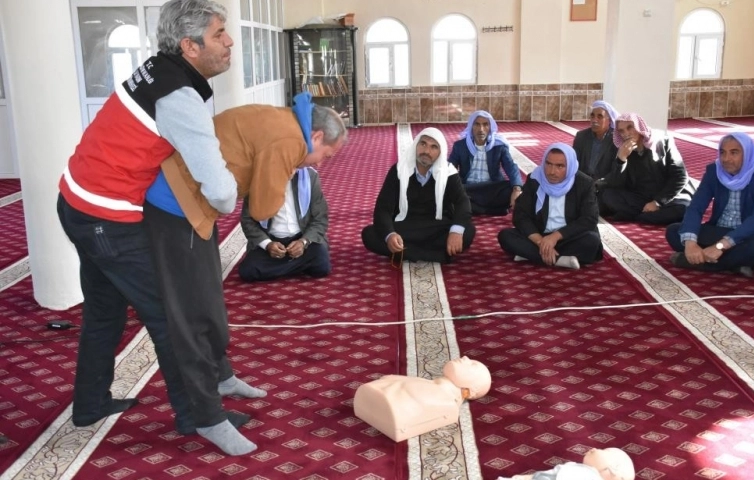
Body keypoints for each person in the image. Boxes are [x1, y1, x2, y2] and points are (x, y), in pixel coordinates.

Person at [56, 0, 255, 442]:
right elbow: (220, 189)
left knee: (104, 312)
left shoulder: (157, 69)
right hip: (106, 218)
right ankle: (203, 418)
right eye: (219, 34)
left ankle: (90, 404)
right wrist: (228, 201)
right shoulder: (178, 97)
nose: (229, 42)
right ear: (189, 46)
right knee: (172, 318)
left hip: (76, 201)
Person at [145, 92, 346, 454]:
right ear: (316, 137)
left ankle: (221, 378)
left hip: (197, 208)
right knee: (192, 317)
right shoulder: (289, 139)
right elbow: (265, 207)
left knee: (211, 303)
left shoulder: (287, 123)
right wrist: (277, 171)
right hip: (177, 209)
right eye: (326, 155)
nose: (321, 164)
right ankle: (206, 418)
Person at [666, 132, 754, 277]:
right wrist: (690, 243)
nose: (726, 159)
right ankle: (736, 263)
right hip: (720, 230)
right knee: (674, 231)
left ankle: (703, 264)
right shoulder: (715, 170)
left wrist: (720, 246)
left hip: (753, 234)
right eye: (723, 152)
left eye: (734, 153)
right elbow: (696, 207)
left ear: (747, 154)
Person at [361, 127, 476, 264]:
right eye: (423, 144)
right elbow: (382, 208)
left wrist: (455, 231)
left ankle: (405, 253)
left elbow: (462, 202)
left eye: (434, 147)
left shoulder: (448, 173)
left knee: (467, 230)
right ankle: (435, 255)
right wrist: (390, 235)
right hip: (405, 227)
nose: (426, 151)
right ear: (416, 145)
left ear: (440, 152)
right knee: (369, 234)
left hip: (436, 227)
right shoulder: (399, 170)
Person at [498, 143, 602, 270]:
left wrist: (555, 237)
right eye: (548, 164)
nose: (552, 172)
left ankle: (531, 254)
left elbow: (589, 219)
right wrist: (541, 242)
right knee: (506, 236)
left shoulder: (584, 183)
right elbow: (521, 215)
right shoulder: (535, 179)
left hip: (568, 237)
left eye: (560, 166)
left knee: (591, 241)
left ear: (570, 166)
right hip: (539, 236)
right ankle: (560, 260)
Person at [353, 357, 491, 442]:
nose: (465, 357)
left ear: (469, 391)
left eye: (472, 365)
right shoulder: (425, 384)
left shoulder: (445, 403)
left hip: (386, 408)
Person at [598, 112, 696, 224]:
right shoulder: (622, 148)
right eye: (621, 131)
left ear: (639, 127)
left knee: (682, 210)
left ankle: (639, 215)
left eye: (630, 128)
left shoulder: (663, 141)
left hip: (670, 196)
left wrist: (658, 202)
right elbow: (616, 183)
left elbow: (680, 177)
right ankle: (645, 215)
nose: (626, 133)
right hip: (642, 197)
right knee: (608, 195)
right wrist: (621, 159)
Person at [238, 166, 331, 282]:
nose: (291, 169)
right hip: (271, 241)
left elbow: (320, 218)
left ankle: (281, 267)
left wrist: (303, 242)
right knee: (248, 271)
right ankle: (298, 265)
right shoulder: (256, 181)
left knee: (322, 265)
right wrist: (267, 244)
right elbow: (248, 221)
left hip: (302, 238)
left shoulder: (309, 176)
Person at [448, 110, 523, 215]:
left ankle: (472, 208)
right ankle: (490, 210)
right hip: (469, 188)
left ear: (490, 127)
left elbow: (511, 166)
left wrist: (516, 189)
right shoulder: (460, 146)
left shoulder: (498, 145)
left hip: (492, 188)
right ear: (471, 126)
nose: (481, 129)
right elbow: (450, 167)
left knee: (512, 189)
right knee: (450, 192)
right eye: (477, 124)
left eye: (485, 125)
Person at [498, 447, 635, 480]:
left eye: (604, 451)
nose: (594, 449)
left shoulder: (589, 475)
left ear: (613, 470)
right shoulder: (581, 470)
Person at [572, 100, 619, 182]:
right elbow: (574, 163)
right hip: (582, 182)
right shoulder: (581, 136)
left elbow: (616, 169)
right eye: (592, 116)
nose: (594, 120)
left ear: (609, 120)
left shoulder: (615, 140)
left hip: (604, 184)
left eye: (600, 117)